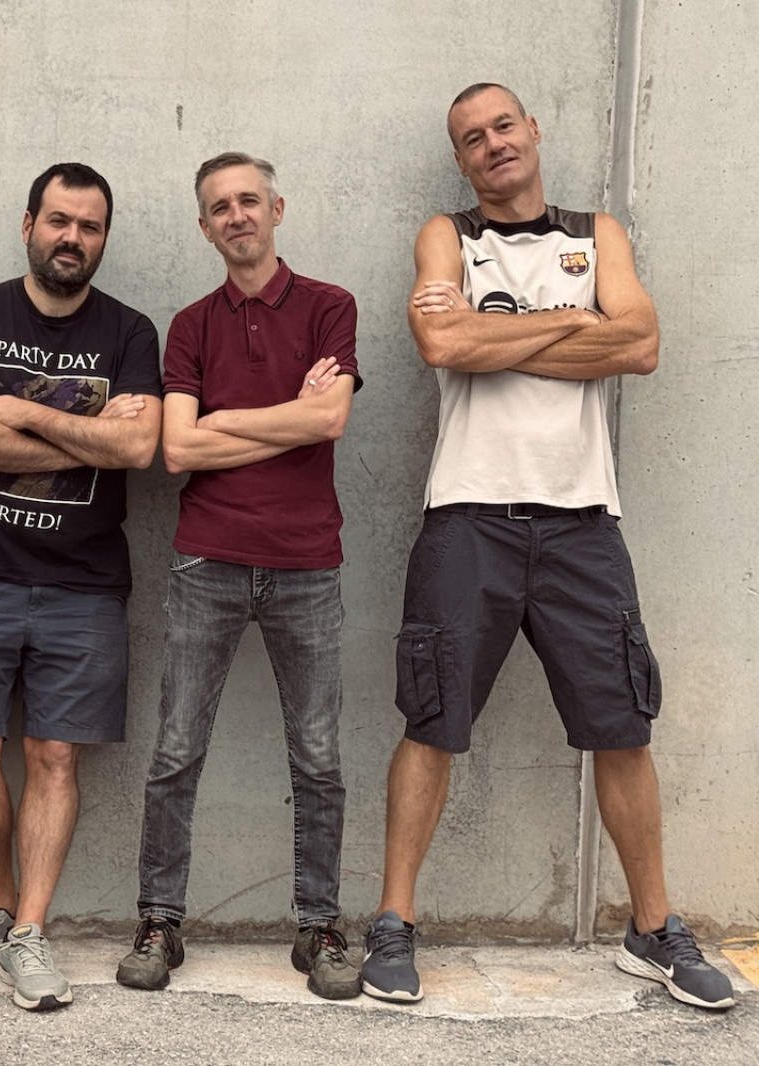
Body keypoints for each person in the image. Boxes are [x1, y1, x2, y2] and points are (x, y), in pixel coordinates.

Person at [362, 83, 734, 1012]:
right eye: (471, 138)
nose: (492, 143)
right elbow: (439, 343)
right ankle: (394, 923)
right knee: (432, 722)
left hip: (582, 522)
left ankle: (652, 930)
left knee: (623, 727)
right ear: (460, 161)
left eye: (503, 126)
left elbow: (640, 344)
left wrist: (493, 333)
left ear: (532, 130)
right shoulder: (448, 237)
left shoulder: (597, 235)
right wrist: (575, 321)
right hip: (467, 517)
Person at [115, 152, 362, 999]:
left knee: (319, 757)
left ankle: (319, 926)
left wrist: (228, 422)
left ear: (276, 209)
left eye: (249, 200)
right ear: (204, 226)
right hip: (207, 559)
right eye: (220, 207)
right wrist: (292, 414)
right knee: (176, 751)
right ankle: (159, 920)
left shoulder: (330, 306)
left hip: (307, 563)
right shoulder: (190, 326)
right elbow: (178, 448)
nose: (237, 215)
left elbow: (331, 420)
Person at [0, 162, 161, 1012]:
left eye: (89, 226)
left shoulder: (130, 331)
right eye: (59, 220)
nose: (72, 238)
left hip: (84, 583)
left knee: (55, 756)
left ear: (103, 238)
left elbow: (139, 450)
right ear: (29, 225)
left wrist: (18, 412)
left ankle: (28, 931)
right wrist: (88, 432)